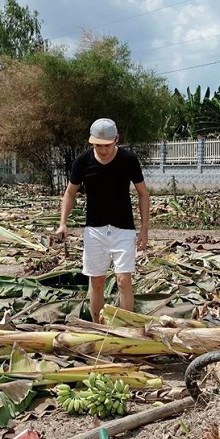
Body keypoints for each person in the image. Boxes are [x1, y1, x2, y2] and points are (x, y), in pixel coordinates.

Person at [56, 118, 149, 322]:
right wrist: (63, 222)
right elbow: (70, 193)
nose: (103, 150)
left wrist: (144, 229)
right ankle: (98, 327)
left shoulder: (128, 160)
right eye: (98, 145)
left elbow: (143, 193)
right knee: (96, 281)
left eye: (107, 145)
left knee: (123, 280)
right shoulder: (82, 161)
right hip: (94, 230)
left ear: (116, 139)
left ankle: (127, 328)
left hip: (123, 229)